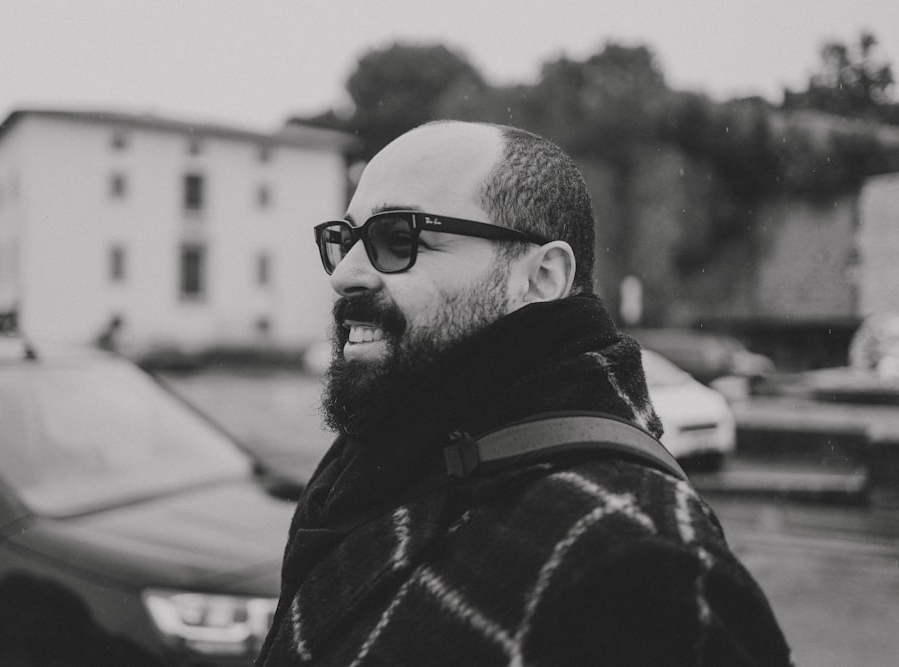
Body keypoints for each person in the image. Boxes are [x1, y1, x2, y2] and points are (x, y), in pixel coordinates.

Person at [258, 121, 791, 666]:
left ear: (541, 277)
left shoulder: (640, 564)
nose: (345, 274)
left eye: (399, 239)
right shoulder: (369, 462)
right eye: (344, 240)